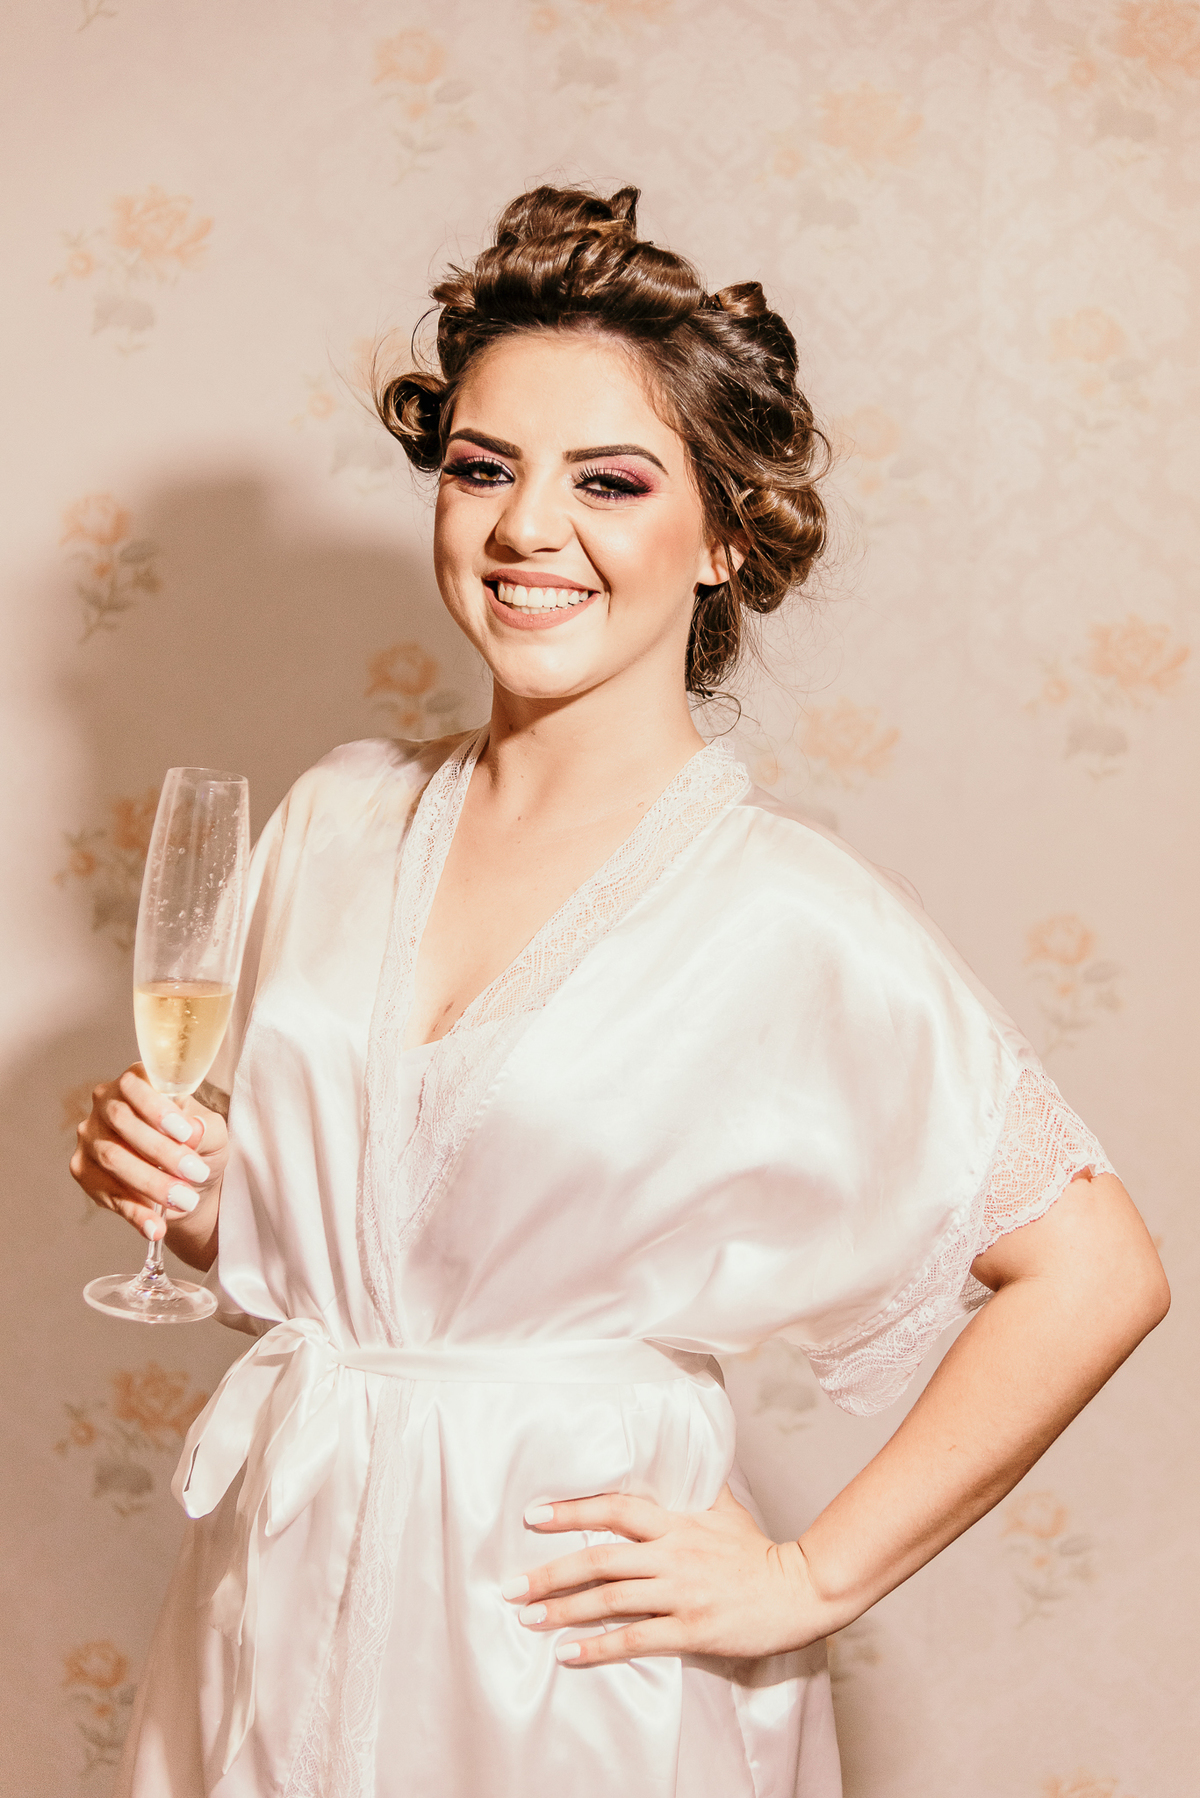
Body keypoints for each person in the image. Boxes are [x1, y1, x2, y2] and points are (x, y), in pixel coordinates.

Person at [72, 185, 1169, 1798]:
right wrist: (197, 1197)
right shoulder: (331, 818)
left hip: (570, 1660)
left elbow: (1095, 1265)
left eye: (610, 479)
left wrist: (809, 1576)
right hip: (282, 1590)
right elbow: (378, 1244)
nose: (527, 528)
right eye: (482, 467)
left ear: (725, 534)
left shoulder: (783, 915)